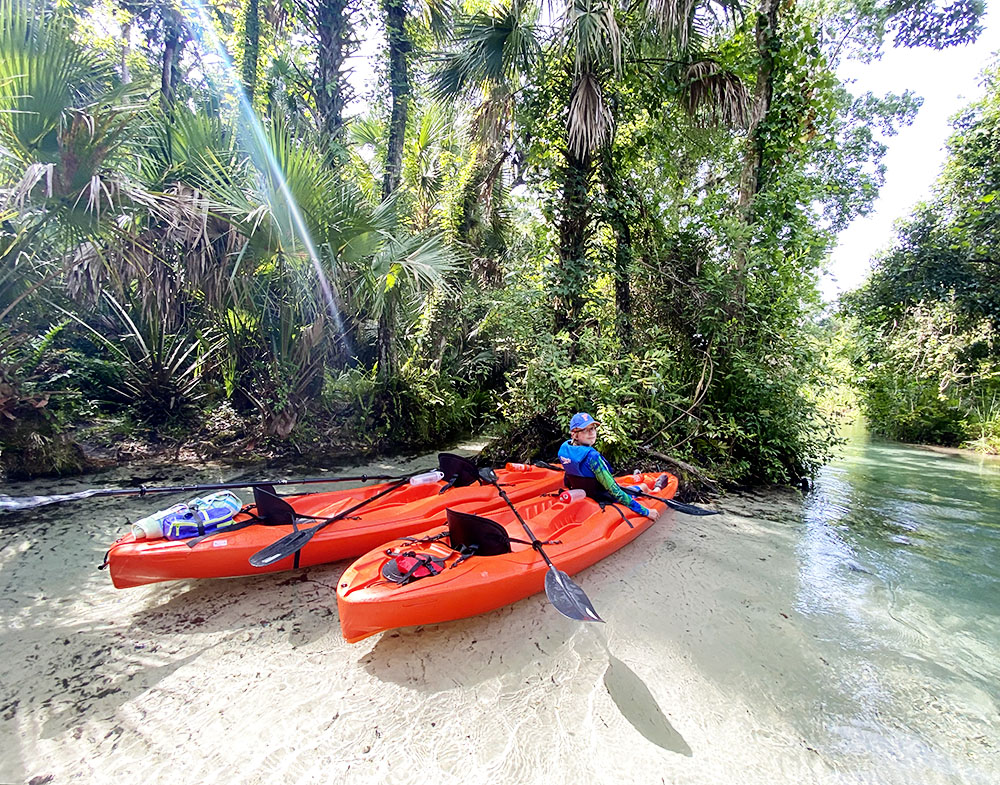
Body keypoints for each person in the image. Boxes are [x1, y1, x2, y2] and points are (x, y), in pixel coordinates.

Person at [557, 412, 666, 521]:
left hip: (585, 492)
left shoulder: (564, 449)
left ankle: (652, 488)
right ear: (574, 434)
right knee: (641, 487)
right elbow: (615, 492)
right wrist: (646, 512)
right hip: (602, 497)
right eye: (585, 430)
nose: (592, 433)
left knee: (635, 488)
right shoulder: (592, 457)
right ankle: (652, 488)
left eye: (593, 428)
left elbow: (567, 480)